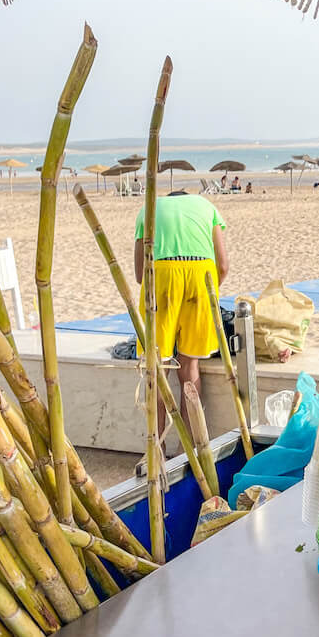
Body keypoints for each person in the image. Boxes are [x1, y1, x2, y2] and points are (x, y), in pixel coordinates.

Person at [135, 189, 229, 450]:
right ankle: (192, 445)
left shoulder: (148, 208)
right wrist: (208, 292)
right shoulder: (206, 206)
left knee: (158, 366)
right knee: (190, 365)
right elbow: (223, 265)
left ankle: (157, 449)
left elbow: (139, 274)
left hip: (161, 275)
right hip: (202, 274)